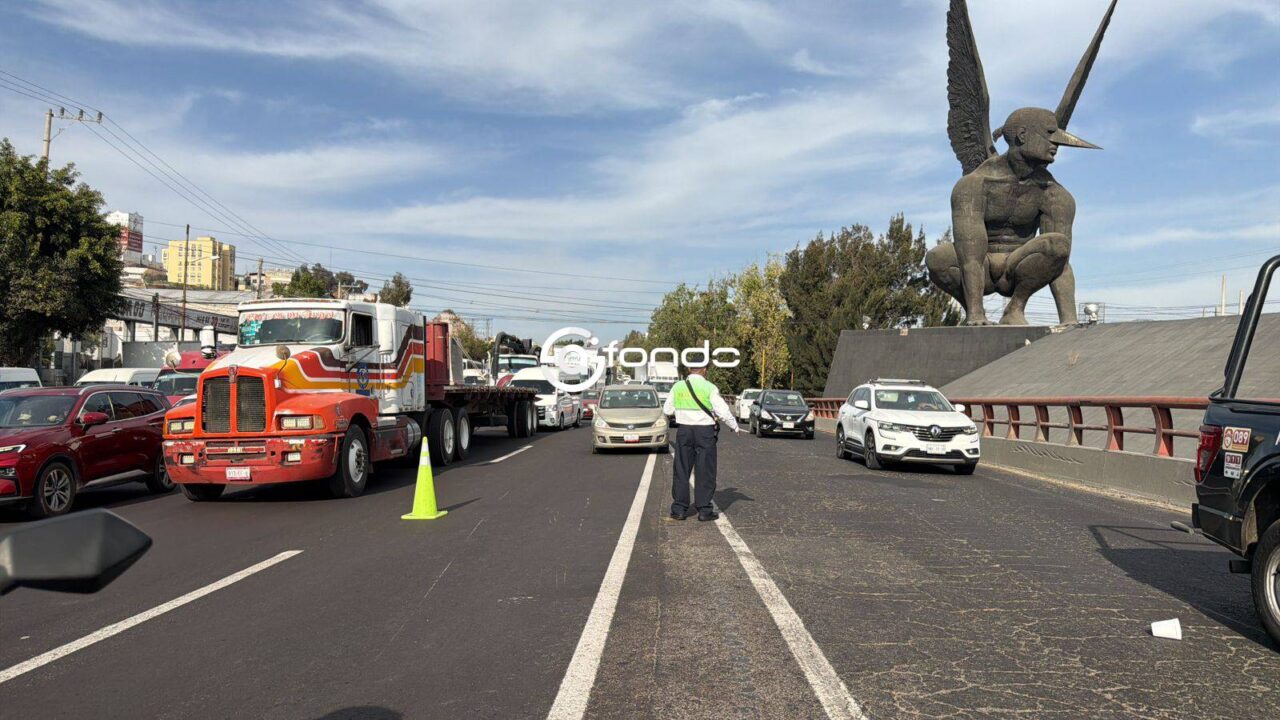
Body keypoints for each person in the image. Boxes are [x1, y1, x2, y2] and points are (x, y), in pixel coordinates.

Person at [662, 366, 739, 522]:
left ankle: (679, 509)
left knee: (681, 469)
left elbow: (667, 410)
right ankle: (704, 510)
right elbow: (723, 411)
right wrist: (734, 426)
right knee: (705, 470)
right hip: (705, 433)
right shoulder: (709, 387)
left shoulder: (678, 386)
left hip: (684, 431)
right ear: (704, 369)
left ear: (689, 368)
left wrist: (683, 413)